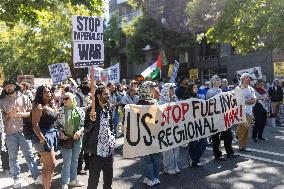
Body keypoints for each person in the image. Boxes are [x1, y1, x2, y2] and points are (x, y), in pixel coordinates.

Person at [0, 80, 41, 188]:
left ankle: (36, 176)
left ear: (15, 86)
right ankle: (16, 179)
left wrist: (22, 114)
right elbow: (2, 116)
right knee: (13, 157)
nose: (9, 87)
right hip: (10, 133)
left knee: (30, 155)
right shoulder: (2, 101)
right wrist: (9, 114)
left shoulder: (24, 97)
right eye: (6, 86)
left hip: (24, 131)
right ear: (4, 89)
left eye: (10, 85)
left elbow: (31, 112)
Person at [83, 85, 115, 189]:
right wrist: (91, 122)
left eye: (108, 94)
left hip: (109, 150)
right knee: (93, 180)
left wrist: (113, 137)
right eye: (106, 94)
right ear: (98, 96)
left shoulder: (108, 108)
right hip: (96, 150)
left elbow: (111, 126)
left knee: (108, 177)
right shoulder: (91, 111)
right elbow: (86, 129)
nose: (108, 95)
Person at [206, 75, 239, 160]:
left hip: (223, 116)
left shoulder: (220, 90)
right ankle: (218, 155)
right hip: (215, 116)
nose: (219, 81)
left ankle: (230, 152)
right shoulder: (210, 91)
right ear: (213, 81)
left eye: (219, 80)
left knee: (228, 135)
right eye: (217, 80)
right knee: (216, 137)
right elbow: (209, 104)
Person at [32, 85, 58, 189]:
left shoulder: (50, 104)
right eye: (45, 92)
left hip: (51, 135)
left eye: (49, 91)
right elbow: (35, 124)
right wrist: (42, 138)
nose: (48, 93)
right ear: (40, 94)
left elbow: (55, 117)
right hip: (42, 137)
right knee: (51, 164)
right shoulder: (38, 106)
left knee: (48, 165)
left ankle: (45, 186)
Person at [57, 92, 85, 189]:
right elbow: (56, 125)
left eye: (66, 98)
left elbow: (83, 125)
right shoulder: (60, 111)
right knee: (67, 161)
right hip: (66, 140)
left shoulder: (79, 110)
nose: (64, 100)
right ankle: (64, 182)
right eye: (63, 98)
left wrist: (79, 132)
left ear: (72, 99)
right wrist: (60, 133)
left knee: (75, 160)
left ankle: (73, 180)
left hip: (77, 139)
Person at [137, 81, 161, 187]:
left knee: (155, 155)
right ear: (146, 89)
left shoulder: (154, 101)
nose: (154, 89)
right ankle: (150, 177)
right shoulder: (141, 102)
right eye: (151, 87)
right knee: (147, 157)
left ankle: (154, 176)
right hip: (144, 134)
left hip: (154, 132)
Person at [184, 84, 208, 166]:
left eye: (196, 87)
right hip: (191, 123)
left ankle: (194, 158)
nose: (196, 88)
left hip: (200, 122)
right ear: (190, 88)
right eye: (194, 87)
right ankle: (193, 159)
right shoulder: (187, 99)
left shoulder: (197, 97)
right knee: (193, 143)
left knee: (204, 142)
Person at [159, 83, 180, 174]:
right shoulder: (161, 101)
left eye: (174, 88)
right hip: (166, 127)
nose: (173, 90)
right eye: (171, 88)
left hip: (176, 126)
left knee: (176, 147)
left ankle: (175, 165)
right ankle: (168, 167)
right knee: (168, 148)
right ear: (166, 89)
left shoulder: (176, 98)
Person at [236, 73, 256, 152]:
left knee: (247, 129)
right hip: (241, 111)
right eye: (247, 77)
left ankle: (242, 146)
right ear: (243, 79)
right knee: (243, 126)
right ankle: (237, 134)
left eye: (249, 77)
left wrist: (248, 101)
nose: (248, 79)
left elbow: (254, 100)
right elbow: (238, 100)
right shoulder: (239, 88)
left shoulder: (251, 88)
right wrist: (248, 101)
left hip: (249, 111)